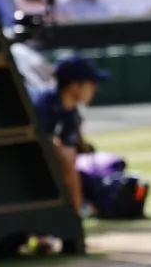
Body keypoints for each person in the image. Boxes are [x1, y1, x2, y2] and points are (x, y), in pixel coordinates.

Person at [31, 54, 111, 217]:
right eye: (91, 84)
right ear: (74, 86)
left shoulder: (70, 110)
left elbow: (69, 145)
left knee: (69, 155)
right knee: (65, 156)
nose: (95, 88)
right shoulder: (42, 104)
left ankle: (74, 220)